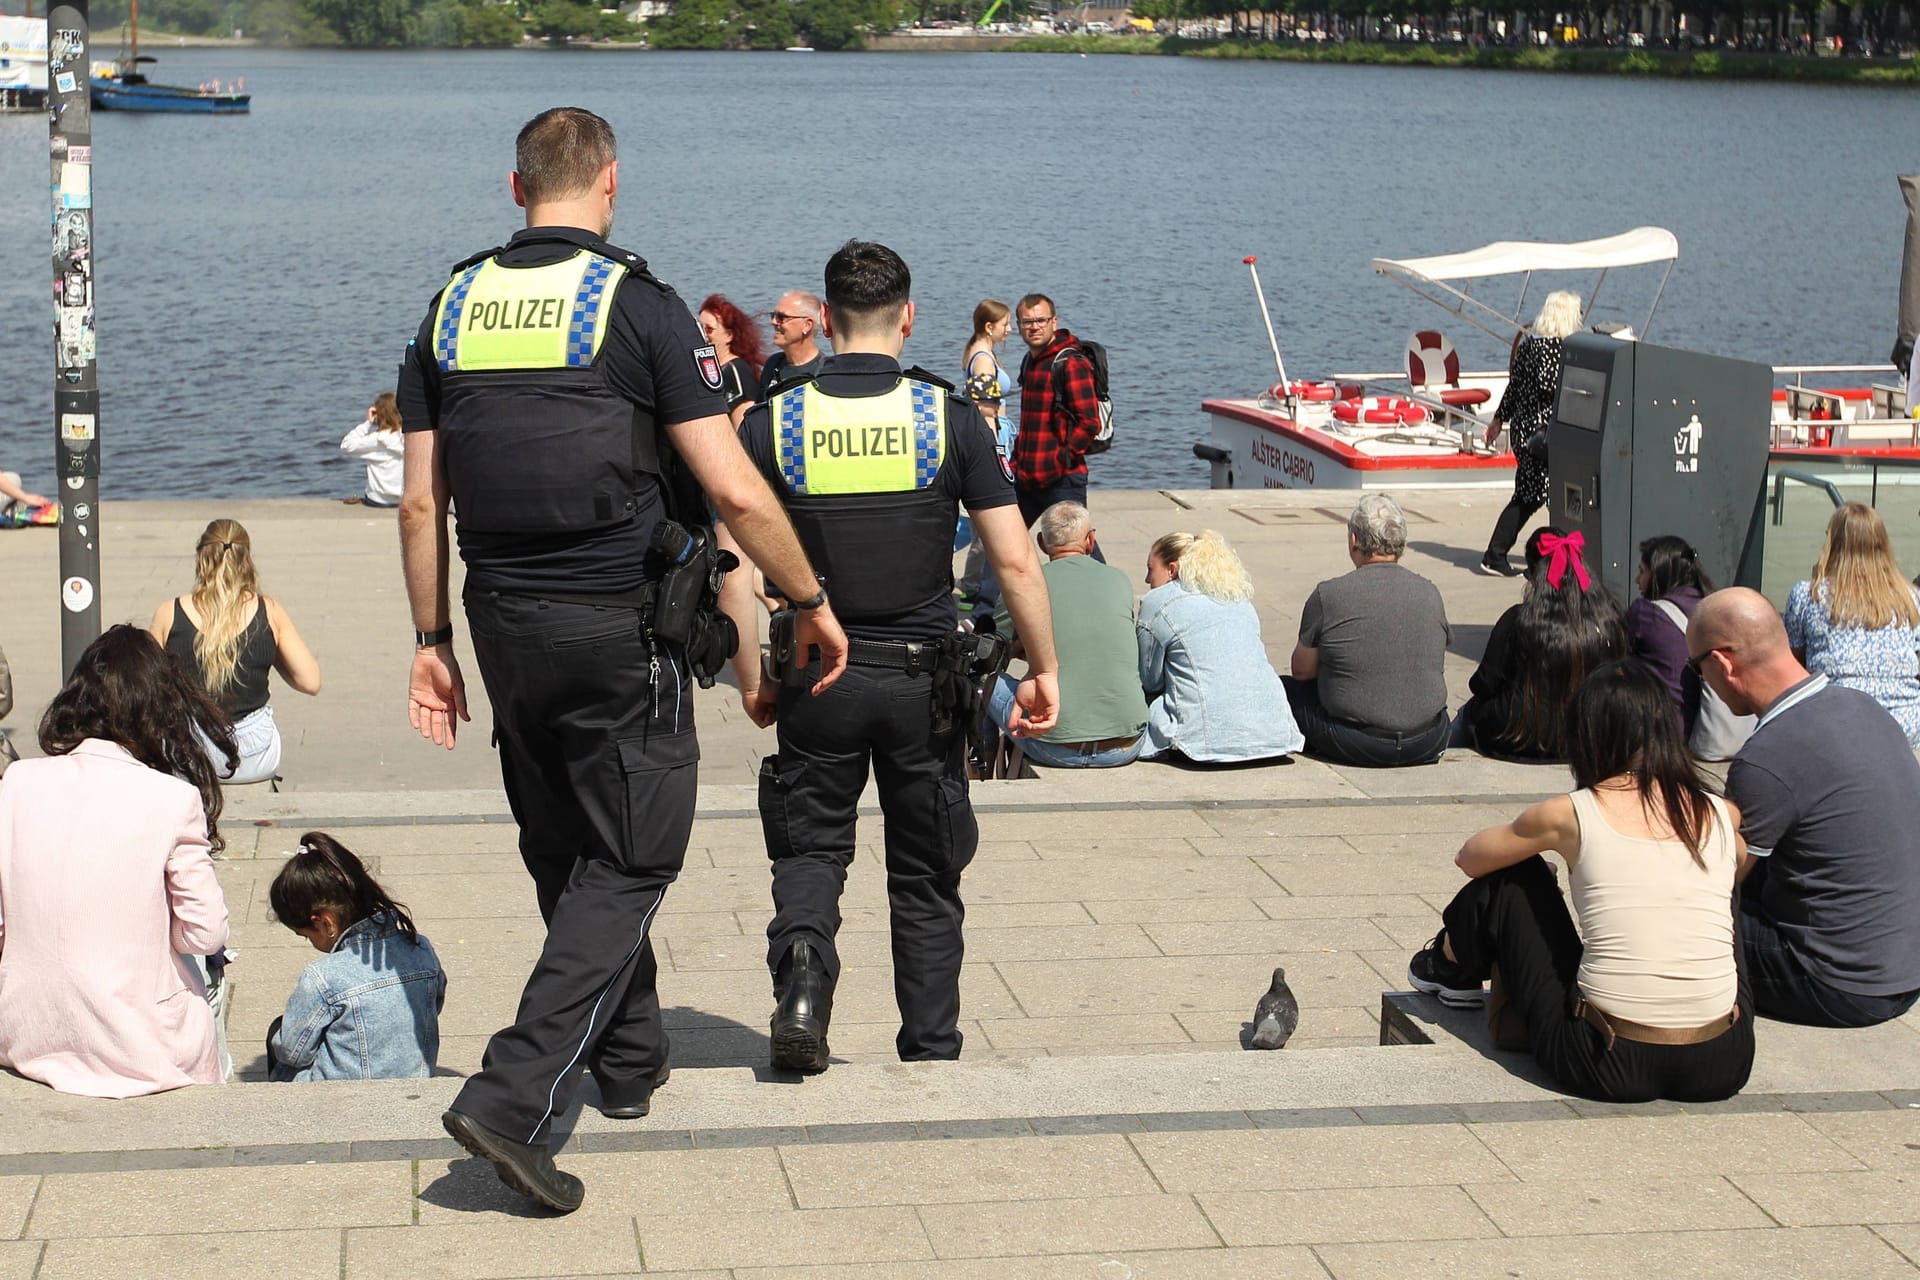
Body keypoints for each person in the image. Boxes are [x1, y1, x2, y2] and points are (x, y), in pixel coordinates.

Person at [396, 107, 847, 1214]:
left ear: (516, 191)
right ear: (609, 185)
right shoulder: (637, 306)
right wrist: (809, 598)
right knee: (635, 855)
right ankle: (511, 1097)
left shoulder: (449, 307)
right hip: (613, 625)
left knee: (565, 841)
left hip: (497, 618)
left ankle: (627, 1060)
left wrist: (430, 643)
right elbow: (735, 487)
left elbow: (420, 499)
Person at [732, 240, 1059, 1075]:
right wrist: (1045, 667)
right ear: (908, 319)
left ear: (828, 323)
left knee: (811, 850)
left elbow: (733, 558)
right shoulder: (946, 418)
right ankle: (930, 1047)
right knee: (925, 870)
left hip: (819, 670)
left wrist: (752, 675)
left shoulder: (776, 419)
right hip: (925, 681)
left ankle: (803, 981)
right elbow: (1015, 559)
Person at [1407, 661, 1753, 1104]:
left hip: (1604, 1060)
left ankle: (1451, 964)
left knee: (1516, 874)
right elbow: (1740, 865)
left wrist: (1541, 859)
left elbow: (1471, 859)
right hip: (1722, 1060)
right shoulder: (1721, 813)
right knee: (1725, 873)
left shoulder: (1569, 814)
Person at [0, 625, 233, 1099]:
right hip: (140, 1044)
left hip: (26, 1029)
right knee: (209, 987)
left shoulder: (17, 781)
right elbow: (206, 933)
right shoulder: (173, 799)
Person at [1687, 588, 1920, 1028]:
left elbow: (1715, 882)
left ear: (1721, 663)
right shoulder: (1862, 707)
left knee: (1670, 911)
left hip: (1838, 983)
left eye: (1696, 668)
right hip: (1903, 968)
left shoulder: (1768, 755)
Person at [149, 518, 323, 786]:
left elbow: (146, 690)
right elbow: (310, 682)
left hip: (192, 755)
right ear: (247, 560)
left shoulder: (169, 613)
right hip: (255, 757)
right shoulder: (269, 611)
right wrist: (273, 656)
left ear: (201, 558)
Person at [1283, 494, 1451, 767]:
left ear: (1354, 540)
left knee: (1285, 690)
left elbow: (1302, 672)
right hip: (1428, 739)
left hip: (1356, 742)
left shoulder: (1329, 595)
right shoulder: (1430, 592)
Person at [265, 832, 447, 1082]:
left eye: (306, 935)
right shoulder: (421, 949)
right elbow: (433, 1006)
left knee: (279, 1034)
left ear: (325, 922)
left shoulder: (323, 977)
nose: (311, 943)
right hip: (414, 1081)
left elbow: (293, 1052)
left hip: (343, 1100)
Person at [985, 501, 1143, 769]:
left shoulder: (1023, 586)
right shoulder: (1119, 579)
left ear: (1041, 543)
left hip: (1051, 745)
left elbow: (993, 650)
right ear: (1090, 540)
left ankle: (981, 765)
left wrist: (1025, 648)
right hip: (1126, 745)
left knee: (979, 678)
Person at [1454, 529, 1628, 762]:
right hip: (1589, 736)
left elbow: (1484, 684)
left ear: (1535, 572)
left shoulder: (1518, 620)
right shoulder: (1609, 619)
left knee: (1467, 713)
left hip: (1518, 736)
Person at [1136, 529, 1302, 764]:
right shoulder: (1237, 597)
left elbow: (1149, 679)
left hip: (1203, 744)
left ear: (1172, 570)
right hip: (1275, 737)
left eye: (1150, 569)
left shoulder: (1158, 602)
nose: (1146, 579)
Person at [1781, 502, 1920, 747]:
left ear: (1832, 543)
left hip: (1836, 722)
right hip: (1905, 725)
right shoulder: (1910, 597)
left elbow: (1794, 665)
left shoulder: (1809, 594)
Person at [1480, 290, 1582, 577]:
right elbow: (1552, 387)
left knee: (1534, 494)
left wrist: (1499, 419)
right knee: (1542, 496)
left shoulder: (1528, 347)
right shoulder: (1556, 351)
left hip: (1527, 432)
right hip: (1544, 436)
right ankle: (1520, 557)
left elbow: (1514, 388)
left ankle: (1502, 554)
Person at [1011, 293, 1105, 561]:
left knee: (1079, 548)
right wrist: (1017, 461)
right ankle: (987, 602)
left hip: (1062, 478)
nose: (1034, 326)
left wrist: (1061, 458)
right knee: (1006, 538)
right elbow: (1030, 421)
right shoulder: (1030, 360)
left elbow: (1089, 422)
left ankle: (1106, 594)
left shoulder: (1070, 363)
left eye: (1041, 320)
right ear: (1018, 325)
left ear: (1054, 321)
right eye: (1027, 321)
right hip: (1026, 476)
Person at [955, 299, 1018, 611]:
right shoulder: (982, 358)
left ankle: (975, 584)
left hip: (995, 434)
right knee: (987, 525)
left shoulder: (982, 352)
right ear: (989, 326)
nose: (1010, 330)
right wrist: (995, 450)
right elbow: (983, 407)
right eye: (1005, 324)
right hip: (992, 438)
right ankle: (974, 588)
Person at [1625, 534, 1716, 730]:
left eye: (1642, 571)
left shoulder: (1645, 612)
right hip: (1707, 726)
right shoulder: (1712, 608)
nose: (1636, 580)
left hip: (1664, 731)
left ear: (1659, 573)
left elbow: (1620, 661)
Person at [697, 294, 766, 429]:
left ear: (729, 335)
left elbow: (744, 427)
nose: (703, 336)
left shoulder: (737, 371)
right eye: (699, 329)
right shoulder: (713, 370)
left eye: (709, 330)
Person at [339, 392, 405, 507]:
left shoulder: (374, 440)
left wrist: (368, 423)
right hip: (404, 499)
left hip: (377, 500)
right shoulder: (409, 439)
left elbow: (346, 445)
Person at [756, 290, 826, 398]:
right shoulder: (773, 363)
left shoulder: (823, 371)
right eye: (773, 315)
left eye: (781, 317)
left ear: (807, 325)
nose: (773, 322)